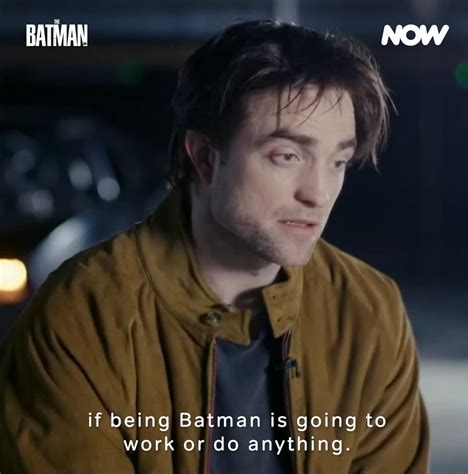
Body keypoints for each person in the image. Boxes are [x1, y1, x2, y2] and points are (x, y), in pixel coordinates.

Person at [0, 19, 430, 474]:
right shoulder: (82, 314)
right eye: (287, 156)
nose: (319, 193)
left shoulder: (369, 310)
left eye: (338, 161)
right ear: (205, 157)